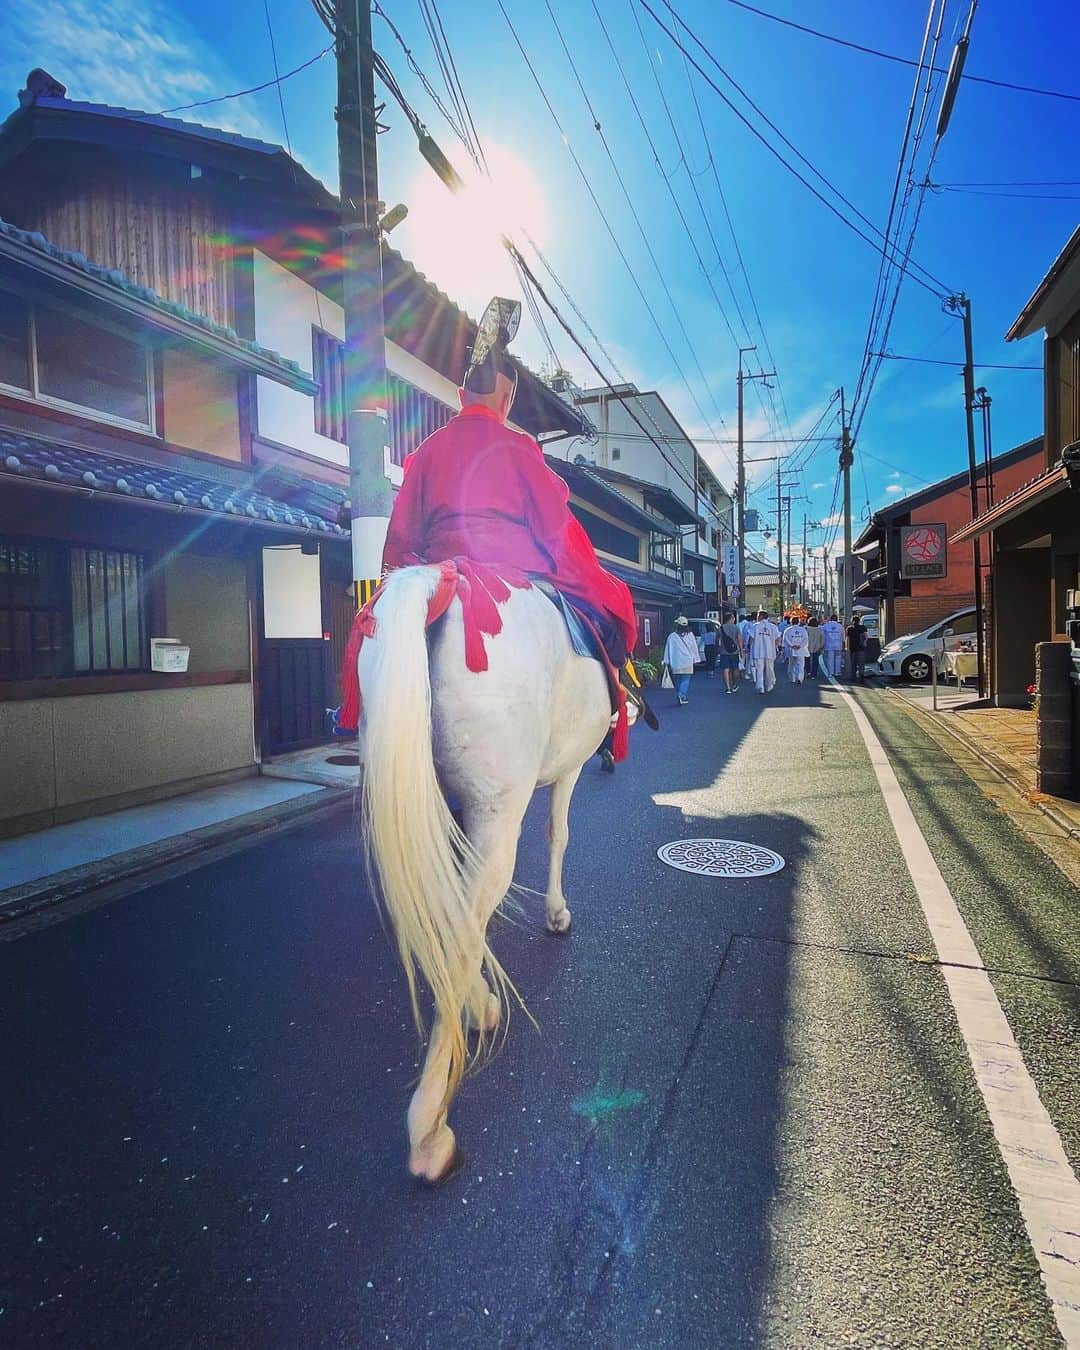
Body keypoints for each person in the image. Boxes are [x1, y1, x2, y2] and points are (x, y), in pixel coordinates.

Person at [381, 299, 638, 668]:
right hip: (517, 569)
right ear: (505, 402)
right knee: (603, 619)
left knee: (377, 632)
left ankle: (354, 715)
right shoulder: (519, 448)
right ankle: (615, 692)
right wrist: (589, 575)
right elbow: (554, 527)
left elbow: (400, 541)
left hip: (440, 569)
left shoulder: (427, 452)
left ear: (460, 396)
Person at [663, 616, 700, 705]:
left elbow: (667, 649)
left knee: (678, 680)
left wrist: (666, 661)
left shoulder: (671, 636)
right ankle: (681, 695)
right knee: (686, 679)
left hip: (675, 662)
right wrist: (696, 659)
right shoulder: (690, 635)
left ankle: (680, 694)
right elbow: (694, 647)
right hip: (687, 661)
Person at [749, 610, 781, 694]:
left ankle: (761, 687)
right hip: (770, 651)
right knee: (770, 668)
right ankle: (770, 685)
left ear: (761, 617)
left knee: (759, 669)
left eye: (758, 616)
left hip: (758, 651)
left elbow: (751, 638)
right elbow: (777, 639)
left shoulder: (755, 626)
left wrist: (748, 647)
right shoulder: (773, 627)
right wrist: (776, 648)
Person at [718, 611, 743, 694]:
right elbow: (739, 640)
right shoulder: (736, 628)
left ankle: (728, 688)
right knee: (735, 668)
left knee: (725, 669)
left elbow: (718, 640)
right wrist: (741, 651)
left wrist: (718, 649)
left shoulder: (721, 628)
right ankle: (734, 685)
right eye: (733, 618)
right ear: (731, 618)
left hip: (724, 652)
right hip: (734, 651)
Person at [782, 616, 809, 684]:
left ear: (791, 622)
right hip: (801, 650)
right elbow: (806, 639)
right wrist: (800, 646)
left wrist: (792, 645)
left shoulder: (787, 630)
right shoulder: (803, 630)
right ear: (799, 622)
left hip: (791, 650)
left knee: (792, 665)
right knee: (800, 664)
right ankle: (800, 678)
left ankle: (793, 678)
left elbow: (785, 639)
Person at [821, 614, 845, 678]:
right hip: (838, 645)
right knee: (838, 658)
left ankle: (830, 673)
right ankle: (837, 672)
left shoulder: (825, 626)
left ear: (831, 619)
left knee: (830, 659)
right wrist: (843, 645)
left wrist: (822, 645)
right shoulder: (840, 626)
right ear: (837, 619)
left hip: (829, 645)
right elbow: (843, 637)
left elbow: (822, 635)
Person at [846, 616, 869, 684]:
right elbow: (866, 636)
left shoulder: (849, 628)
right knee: (861, 664)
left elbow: (848, 639)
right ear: (859, 621)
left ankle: (853, 678)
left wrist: (847, 647)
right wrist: (864, 643)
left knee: (853, 664)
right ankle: (861, 678)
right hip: (861, 649)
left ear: (852, 621)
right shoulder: (863, 627)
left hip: (853, 649)